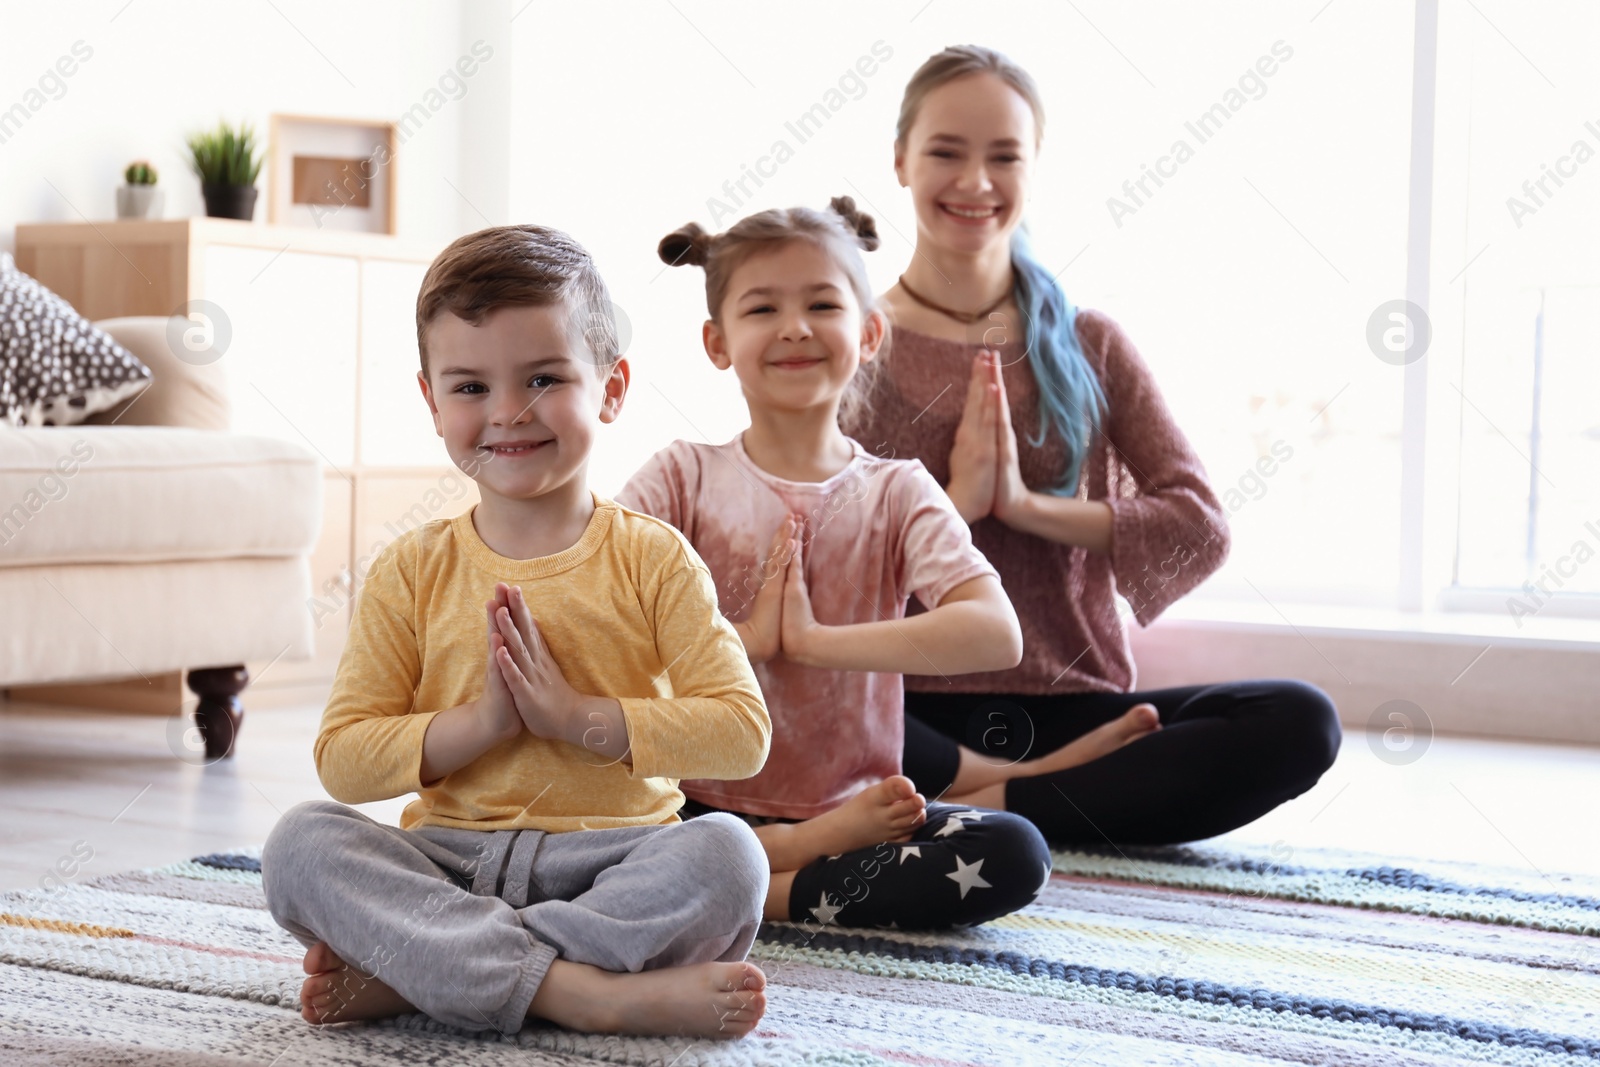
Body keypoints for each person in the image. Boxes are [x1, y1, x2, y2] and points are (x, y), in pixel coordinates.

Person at [260, 224, 775, 1041]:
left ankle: (423, 977)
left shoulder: (654, 558)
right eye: (469, 387)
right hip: (450, 869)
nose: (507, 413)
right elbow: (344, 762)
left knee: (729, 856)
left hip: (613, 863)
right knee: (299, 845)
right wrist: (485, 725)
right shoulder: (411, 568)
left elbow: (742, 735)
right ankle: (585, 993)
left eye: (543, 377)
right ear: (431, 401)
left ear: (611, 388)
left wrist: (576, 719)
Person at [842, 45, 1342, 845]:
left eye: (1004, 156)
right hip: (903, 711)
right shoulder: (849, 344)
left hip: (1072, 707)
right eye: (946, 152)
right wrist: (956, 509)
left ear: (1033, 170)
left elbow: (1199, 524)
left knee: (1300, 719)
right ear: (900, 160)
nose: (975, 181)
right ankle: (1047, 805)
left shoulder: (1089, 342)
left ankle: (996, 809)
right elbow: (809, 565)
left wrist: (1029, 508)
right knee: (773, 685)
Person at [617, 196, 1062, 932]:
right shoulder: (680, 476)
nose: (794, 327)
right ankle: (784, 871)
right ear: (717, 340)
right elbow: (597, 617)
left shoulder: (897, 490)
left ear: (870, 331)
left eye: (822, 303)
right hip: (688, 810)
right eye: (762, 309)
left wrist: (813, 642)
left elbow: (994, 632)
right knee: (571, 828)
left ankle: (746, 886)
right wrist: (747, 639)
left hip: (856, 809)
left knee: (1014, 851)